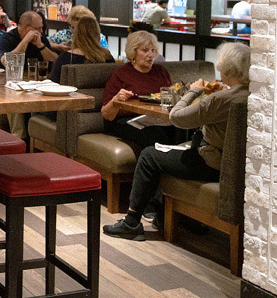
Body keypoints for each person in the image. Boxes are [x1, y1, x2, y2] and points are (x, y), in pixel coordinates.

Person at [103, 42, 250, 241]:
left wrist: (194, 91)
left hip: (212, 164)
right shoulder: (253, 96)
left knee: (148, 155)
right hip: (241, 167)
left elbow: (176, 116)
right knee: (171, 146)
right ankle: (170, 216)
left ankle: (131, 222)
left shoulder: (220, 99)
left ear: (227, 68)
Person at [101, 30, 174, 149]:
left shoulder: (161, 72)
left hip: (157, 119)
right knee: (157, 135)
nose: (150, 54)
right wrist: (116, 99)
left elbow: (170, 99)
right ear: (133, 52)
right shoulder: (121, 74)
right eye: (145, 50)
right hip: (126, 121)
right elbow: (106, 113)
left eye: (153, 50)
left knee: (186, 129)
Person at [0, 11, 57, 141]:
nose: (41, 31)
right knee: (13, 97)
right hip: (9, 83)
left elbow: (55, 61)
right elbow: (7, 62)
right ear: (26, 28)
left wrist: (41, 46)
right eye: (38, 28)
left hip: (36, 83)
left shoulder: (41, 39)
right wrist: (26, 40)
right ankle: (19, 139)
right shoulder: (7, 38)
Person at [49, 17, 115, 83]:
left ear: (76, 34)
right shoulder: (107, 57)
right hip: (102, 93)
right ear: (97, 34)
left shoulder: (66, 58)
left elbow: (53, 85)